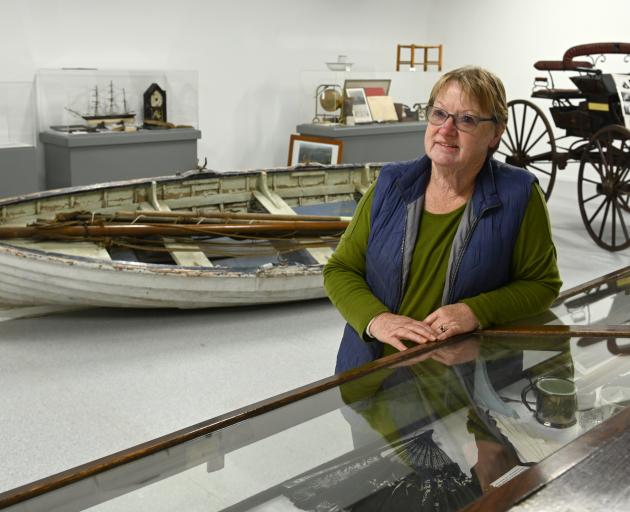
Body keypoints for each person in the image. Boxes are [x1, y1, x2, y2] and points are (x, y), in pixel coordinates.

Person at [324, 66, 562, 374]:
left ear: (496, 132)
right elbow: (340, 269)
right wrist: (376, 320)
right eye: (439, 114)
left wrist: (475, 311)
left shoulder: (519, 196)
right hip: (373, 376)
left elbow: (542, 285)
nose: (446, 130)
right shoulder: (391, 184)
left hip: (466, 389)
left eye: (466, 119)